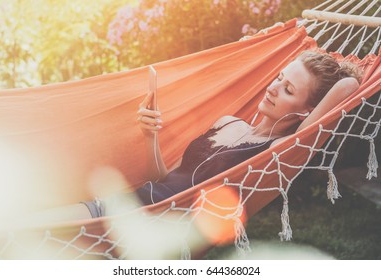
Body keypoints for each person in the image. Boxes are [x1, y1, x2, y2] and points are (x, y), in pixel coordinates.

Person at [21, 50, 363, 224]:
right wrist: (149, 136)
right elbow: (163, 178)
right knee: (17, 228)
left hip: (153, 231)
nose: (273, 88)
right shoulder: (228, 122)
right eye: (278, 77)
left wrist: (347, 72)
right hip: (119, 207)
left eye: (288, 89)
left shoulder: (279, 150)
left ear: (305, 112)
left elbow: (348, 87)